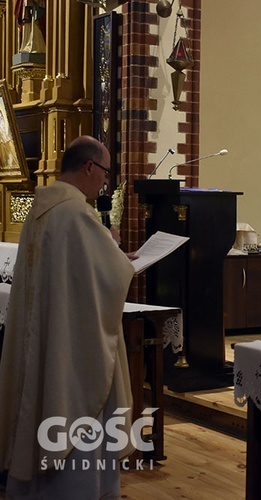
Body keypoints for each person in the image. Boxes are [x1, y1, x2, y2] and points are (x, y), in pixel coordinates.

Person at [0, 136, 136, 498]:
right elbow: (107, 277)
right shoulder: (75, 214)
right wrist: (117, 252)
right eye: (105, 173)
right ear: (89, 167)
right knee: (72, 407)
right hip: (70, 349)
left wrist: (109, 249)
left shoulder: (41, 207)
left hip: (46, 337)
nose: (106, 182)